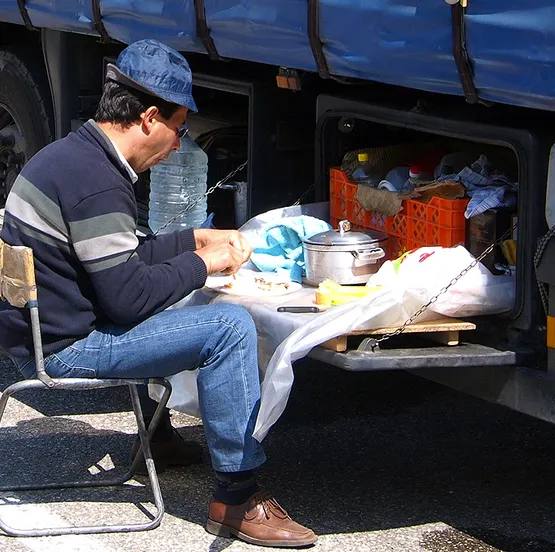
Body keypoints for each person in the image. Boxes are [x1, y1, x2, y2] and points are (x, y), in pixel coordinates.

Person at [0, 39, 317, 548]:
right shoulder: (96, 182)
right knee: (229, 327)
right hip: (66, 348)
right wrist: (203, 262)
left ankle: (160, 438)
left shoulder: (72, 155)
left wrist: (189, 241)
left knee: (184, 292)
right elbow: (126, 298)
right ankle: (236, 499)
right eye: (179, 128)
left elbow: (117, 262)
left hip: (41, 329)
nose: (178, 144)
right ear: (149, 117)